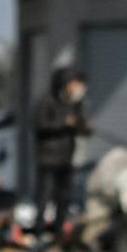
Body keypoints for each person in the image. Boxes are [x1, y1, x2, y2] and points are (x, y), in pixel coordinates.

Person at [31, 67, 90, 227]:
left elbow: (83, 128)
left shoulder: (76, 104)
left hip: (67, 158)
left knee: (64, 198)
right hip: (48, 158)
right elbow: (41, 125)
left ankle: (59, 232)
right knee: (44, 197)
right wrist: (64, 123)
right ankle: (39, 232)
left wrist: (84, 126)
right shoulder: (47, 101)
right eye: (75, 83)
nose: (78, 88)